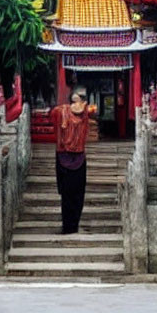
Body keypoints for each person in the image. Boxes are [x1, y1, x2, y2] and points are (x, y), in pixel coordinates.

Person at [51, 91, 90, 234]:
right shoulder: (83, 113)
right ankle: (71, 225)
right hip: (74, 156)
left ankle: (69, 226)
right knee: (76, 195)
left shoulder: (59, 111)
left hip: (64, 156)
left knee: (67, 195)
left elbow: (52, 116)